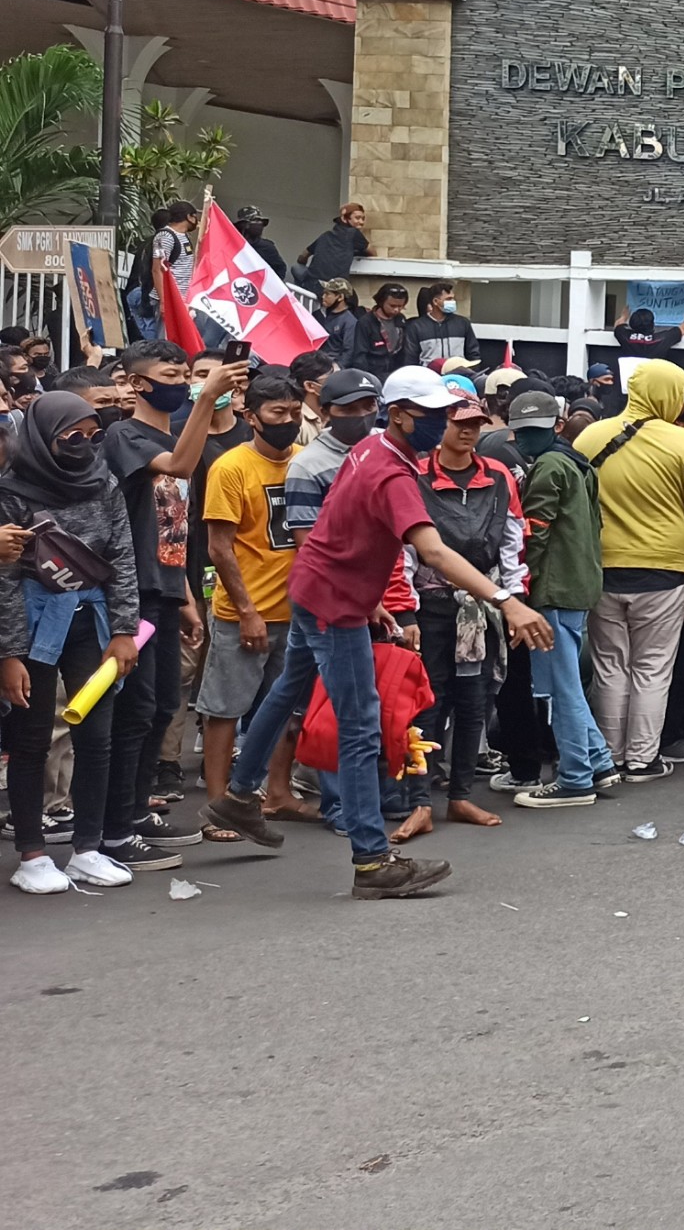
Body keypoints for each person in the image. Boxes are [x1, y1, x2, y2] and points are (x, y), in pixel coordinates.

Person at [206, 367, 552, 899]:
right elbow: (433, 552)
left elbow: (343, 532)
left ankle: (240, 794)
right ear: (399, 415)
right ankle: (372, 860)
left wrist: (371, 601)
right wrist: (507, 601)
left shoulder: (370, 449)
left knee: (288, 690)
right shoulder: (389, 470)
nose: (443, 424)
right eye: (433, 416)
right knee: (360, 726)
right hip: (333, 602)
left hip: (319, 590)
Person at [102, 339, 240, 860]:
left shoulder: (175, 433)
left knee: (161, 708)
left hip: (162, 590)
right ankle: (114, 828)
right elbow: (181, 467)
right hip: (129, 595)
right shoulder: (124, 435)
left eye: (188, 373)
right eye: (171, 373)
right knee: (134, 710)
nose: (182, 381)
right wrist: (207, 398)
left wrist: (184, 596)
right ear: (137, 383)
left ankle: (137, 813)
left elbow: (171, 530)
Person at [0, 393, 141, 891]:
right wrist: (9, 654)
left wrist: (125, 630)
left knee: (96, 738)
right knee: (31, 739)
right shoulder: (11, 491)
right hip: (34, 622)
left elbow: (123, 558)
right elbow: (5, 579)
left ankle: (87, 848)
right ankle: (33, 855)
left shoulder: (104, 484)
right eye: (72, 437)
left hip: (94, 620)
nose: (85, 445)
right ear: (43, 437)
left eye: (94, 435)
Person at [574, 360, 684, 782]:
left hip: (602, 568)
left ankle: (609, 755)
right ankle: (642, 759)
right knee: (653, 667)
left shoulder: (591, 436)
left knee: (610, 665)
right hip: (663, 572)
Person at [398, 394, 524, 836]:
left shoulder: (499, 476)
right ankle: (419, 801)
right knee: (426, 704)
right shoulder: (414, 477)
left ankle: (462, 797)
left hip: (482, 609)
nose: (468, 431)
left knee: (474, 703)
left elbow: (511, 545)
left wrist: (513, 601)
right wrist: (405, 612)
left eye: (475, 424)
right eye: (458, 424)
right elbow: (406, 552)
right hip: (429, 607)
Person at [193, 370, 303, 830]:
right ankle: (219, 807)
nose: (288, 421)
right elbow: (220, 547)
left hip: (297, 611)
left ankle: (278, 792)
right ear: (250, 415)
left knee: (286, 709)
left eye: (295, 413)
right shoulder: (231, 467)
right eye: (278, 412)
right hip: (245, 613)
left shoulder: (305, 460)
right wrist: (247, 612)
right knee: (225, 710)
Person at [502, 389, 615, 809]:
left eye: (533, 430)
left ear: (557, 427)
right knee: (568, 683)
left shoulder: (549, 466)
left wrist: (520, 590)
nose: (526, 438)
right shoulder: (577, 462)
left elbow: (535, 533)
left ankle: (575, 778)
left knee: (563, 687)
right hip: (579, 584)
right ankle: (598, 762)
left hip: (552, 587)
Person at [404, 282, 476, 370]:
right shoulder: (417, 326)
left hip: (458, 374)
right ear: (435, 301)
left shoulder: (462, 323)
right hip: (429, 375)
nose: (453, 302)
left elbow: (473, 353)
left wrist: (473, 370)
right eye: (449, 299)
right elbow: (410, 357)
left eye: (453, 299)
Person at [297, 203, 370, 286]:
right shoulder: (353, 233)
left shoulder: (325, 235)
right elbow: (372, 252)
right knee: (353, 299)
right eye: (357, 218)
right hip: (333, 289)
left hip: (311, 285)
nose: (361, 222)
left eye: (363, 218)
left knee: (297, 269)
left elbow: (303, 256)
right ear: (344, 219)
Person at [348, 283, 410, 378]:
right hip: (373, 373)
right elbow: (360, 354)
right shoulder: (366, 322)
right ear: (381, 302)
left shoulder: (401, 319)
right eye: (392, 306)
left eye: (401, 306)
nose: (396, 310)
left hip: (396, 373)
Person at [612, 306, 684, 358]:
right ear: (652, 324)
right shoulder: (661, 338)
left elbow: (618, 326)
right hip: (654, 376)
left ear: (631, 323)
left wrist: (624, 316)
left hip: (631, 376)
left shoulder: (626, 336)